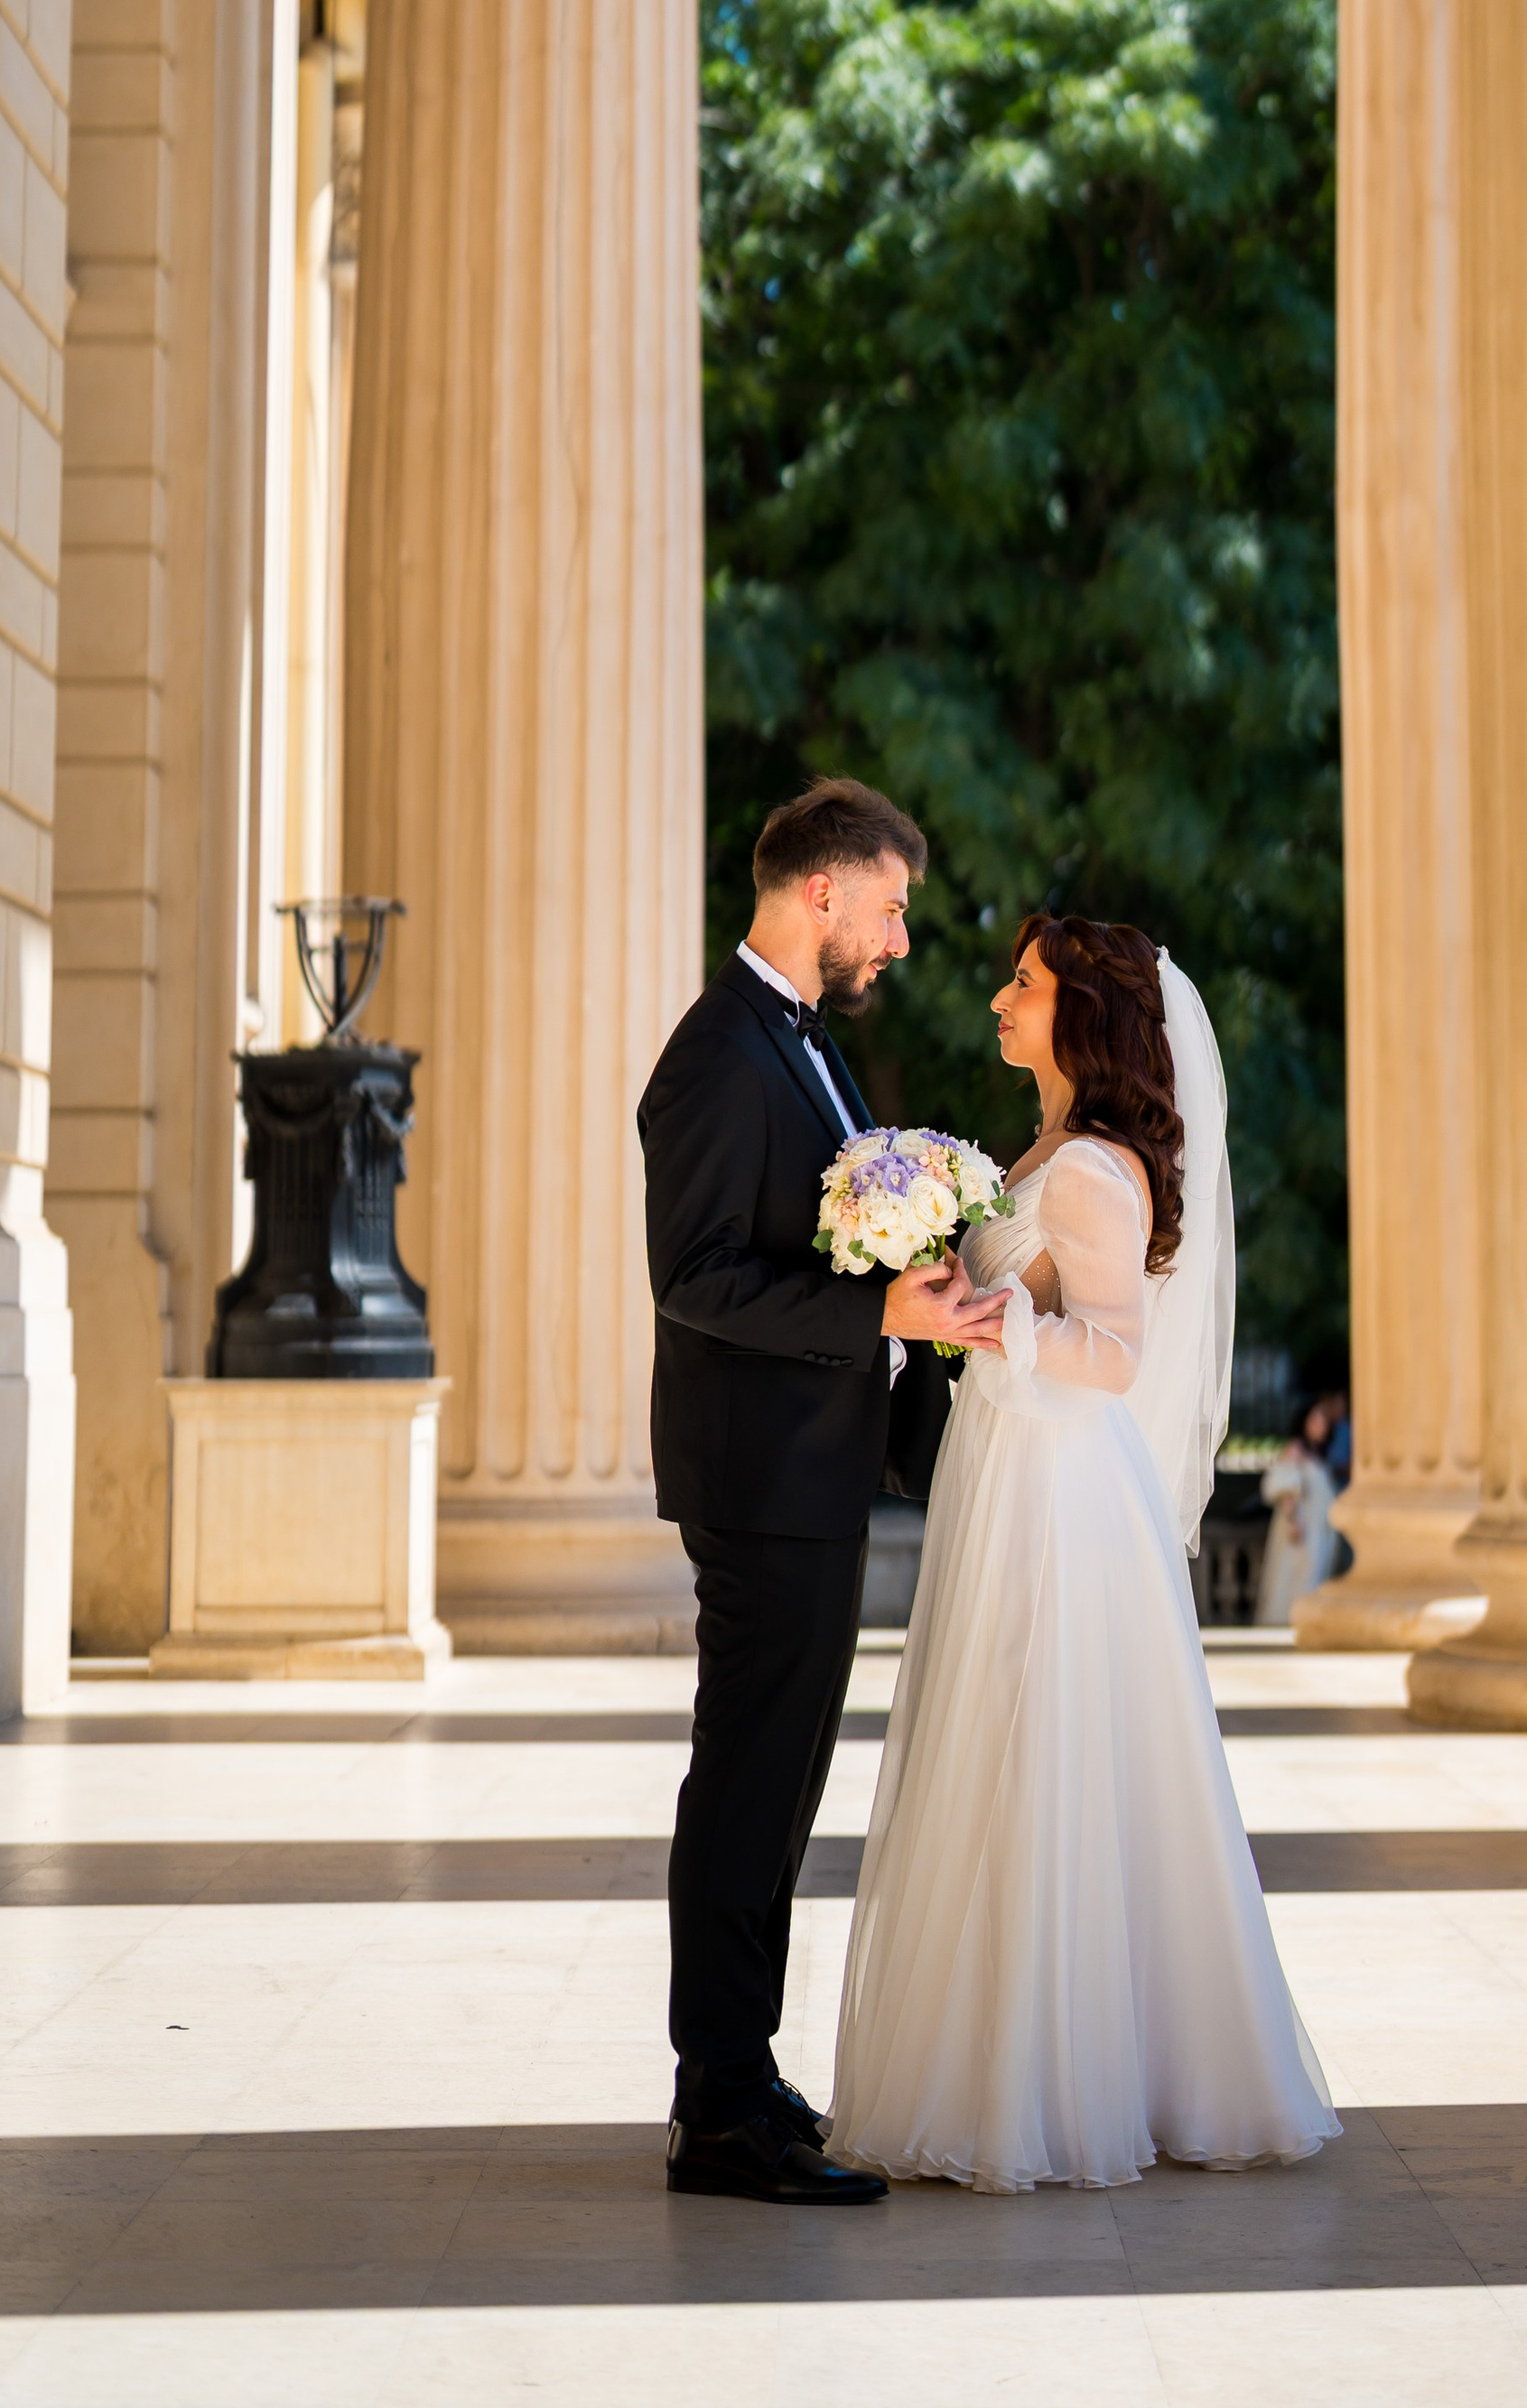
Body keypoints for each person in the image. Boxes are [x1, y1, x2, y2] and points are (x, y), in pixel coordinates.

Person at [826, 912, 1341, 2191]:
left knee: (1050, 1746)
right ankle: (991, 2051)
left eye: (1026, 983)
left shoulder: (1101, 1171)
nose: (999, 997)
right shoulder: (1040, 1151)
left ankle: (1063, 2079)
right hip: (1009, 1465)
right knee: (993, 1744)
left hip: (1063, 1484)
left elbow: (1113, 1354)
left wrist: (1005, 1333)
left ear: (1084, 1016)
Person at [638, 778, 1008, 2207]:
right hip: (760, 1482)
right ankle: (717, 2106)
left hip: (815, 1475)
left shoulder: (803, 1048)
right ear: (823, 895)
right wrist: (879, 1326)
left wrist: (919, 1306)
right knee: (746, 1785)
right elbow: (698, 1278)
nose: (902, 942)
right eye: (895, 909)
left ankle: (740, 2069)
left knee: (783, 1785)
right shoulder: (721, 1054)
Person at [1259, 1402, 1340, 1624]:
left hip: (1318, 1528)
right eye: (1315, 1420)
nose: (1320, 1426)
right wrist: (1293, 1521)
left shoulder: (1318, 1455)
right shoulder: (1295, 1450)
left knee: (1314, 1574)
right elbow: (1286, 1488)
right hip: (1302, 1527)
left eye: (1324, 1421)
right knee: (1297, 1574)